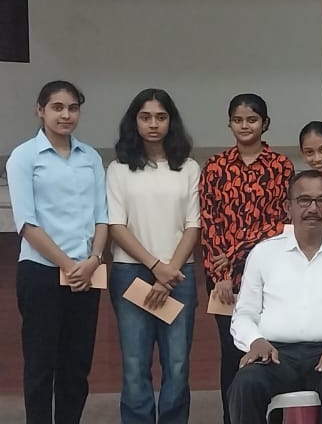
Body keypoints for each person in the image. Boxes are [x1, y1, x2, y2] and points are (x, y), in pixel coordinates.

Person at [227, 170, 322, 424]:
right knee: (245, 382)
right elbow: (244, 313)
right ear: (288, 207)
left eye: (321, 201)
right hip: (275, 354)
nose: (313, 208)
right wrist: (255, 341)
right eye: (304, 200)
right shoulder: (264, 252)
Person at [7, 80, 108, 424]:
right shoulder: (24, 156)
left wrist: (93, 260)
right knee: (40, 364)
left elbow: (102, 217)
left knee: (77, 365)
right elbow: (27, 223)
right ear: (40, 110)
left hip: (87, 272)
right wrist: (69, 265)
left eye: (73, 108)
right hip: (41, 273)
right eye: (57, 107)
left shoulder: (90, 157)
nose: (66, 115)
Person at [106, 89, 201, 424]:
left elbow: (193, 225)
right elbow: (116, 226)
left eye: (161, 117)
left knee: (177, 363)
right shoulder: (118, 169)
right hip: (131, 273)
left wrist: (169, 270)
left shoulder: (188, 168)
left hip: (179, 276)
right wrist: (155, 267)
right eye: (145, 117)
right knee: (135, 361)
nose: (153, 124)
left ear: (171, 122)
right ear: (134, 122)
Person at [199, 93, 294, 423]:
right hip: (223, 279)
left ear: (265, 123)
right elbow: (209, 221)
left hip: (271, 273)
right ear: (229, 123)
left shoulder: (280, 166)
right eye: (238, 120)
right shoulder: (215, 166)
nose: (244, 126)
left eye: (252, 119)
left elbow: (279, 221)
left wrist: (236, 253)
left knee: (269, 349)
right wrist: (220, 273)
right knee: (231, 353)